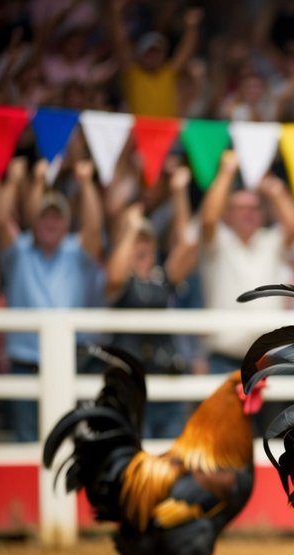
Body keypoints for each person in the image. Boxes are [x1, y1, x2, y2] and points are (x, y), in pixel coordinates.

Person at [0, 158, 105, 442]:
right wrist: (14, 181)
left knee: (69, 440)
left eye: (57, 217)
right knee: (26, 441)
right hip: (23, 362)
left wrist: (86, 183)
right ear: (34, 220)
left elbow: (93, 227)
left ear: (66, 223)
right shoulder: (20, 251)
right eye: (45, 216)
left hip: (70, 359)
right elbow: (0, 220)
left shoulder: (75, 253)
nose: (50, 222)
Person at [196, 150, 294, 376]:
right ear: (227, 214)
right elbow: (208, 218)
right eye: (240, 208)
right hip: (223, 360)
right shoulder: (219, 242)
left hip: (269, 361)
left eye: (254, 208)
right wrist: (227, 172)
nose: (248, 214)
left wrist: (273, 188)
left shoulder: (271, 241)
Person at [103, 165, 197, 438]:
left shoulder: (162, 278)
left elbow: (188, 248)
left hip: (166, 384)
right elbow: (114, 276)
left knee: (170, 462)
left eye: (147, 240)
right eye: (136, 242)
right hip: (131, 387)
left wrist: (179, 193)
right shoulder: (120, 280)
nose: (141, 246)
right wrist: (131, 229)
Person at [110, 1, 202, 118]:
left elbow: (186, 52)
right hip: (140, 133)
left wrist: (192, 27)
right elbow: (120, 43)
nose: (153, 57)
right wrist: (116, 14)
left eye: (157, 53)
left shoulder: (168, 73)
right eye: (149, 53)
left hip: (167, 133)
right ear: (141, 56)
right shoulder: (133, 74)